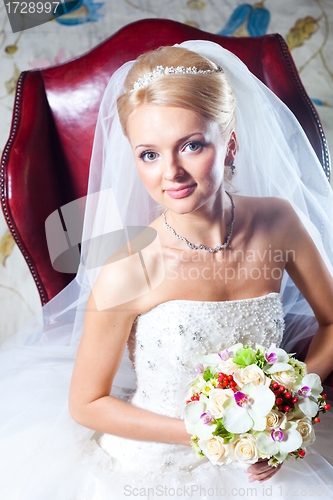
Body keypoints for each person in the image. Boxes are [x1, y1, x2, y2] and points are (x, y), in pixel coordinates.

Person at [1, 40, 333, 500]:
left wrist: (284, 406)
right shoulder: (128, 267)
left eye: (191, 145)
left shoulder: (278, 222)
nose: (171, 172)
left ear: (229, 143)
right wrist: (218, 436)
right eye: (149, 154)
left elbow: (332, 321)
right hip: (154, 465)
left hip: (265, 456)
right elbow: (87, 403)